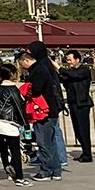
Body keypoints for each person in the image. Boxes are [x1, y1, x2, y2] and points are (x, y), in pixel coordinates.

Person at [24, 43, 68, 181]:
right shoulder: (47, 65)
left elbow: (37, 89)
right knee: (51, 141)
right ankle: (56, 169)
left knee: (44, 141)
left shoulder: (39, 69)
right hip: (52, 108)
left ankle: (46, 169)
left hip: (43, 110)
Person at [0, 62, 29, 186]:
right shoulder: (13, 89)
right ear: (12, 74)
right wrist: (26, 124)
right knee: (15, 151)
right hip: (8, 122)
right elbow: (19, 108)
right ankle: (20, 177)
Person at [60, 50, 95, 164]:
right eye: (67, 60)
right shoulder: (70, 72)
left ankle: (87, 153)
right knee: (77, 129)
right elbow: (63, 78)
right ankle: (84, 152)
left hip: (82, 103)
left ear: (77, 60)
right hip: (73, 103)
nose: (68, 62)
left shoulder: (83, 70)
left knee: (83, 129)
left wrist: (60, 68)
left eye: (70, 60)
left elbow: (74, 75)